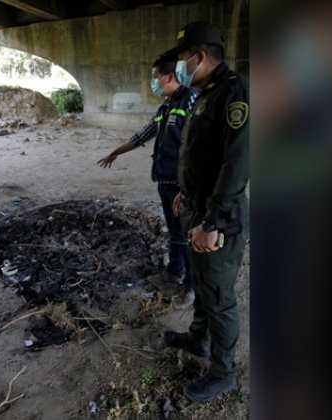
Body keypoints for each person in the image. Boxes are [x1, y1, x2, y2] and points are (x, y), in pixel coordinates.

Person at [159, 20, 249, 403]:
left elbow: (236, 165)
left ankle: (223, 372)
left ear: (198, 57)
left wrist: (210, 221)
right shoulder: (207, 92)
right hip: (198, 207)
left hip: (220, 219)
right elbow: (199, 156)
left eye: (182, 60)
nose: (179, 68)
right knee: (201, 283)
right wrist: (186, 194)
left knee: (218, 295)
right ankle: (198, 338)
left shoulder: (235, 93)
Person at [97, 57, 198, 309]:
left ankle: (192, 288)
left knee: (189, 234)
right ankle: (174, 272)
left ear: (170, 77)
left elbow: (201, 147)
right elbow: (143, 134)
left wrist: (188, 189)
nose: (154, 82)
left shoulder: (192, 100)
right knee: (175, 232)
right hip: (164, 180)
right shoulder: (166, 107)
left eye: (156, 76)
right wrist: (116, 152)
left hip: (182, 185)